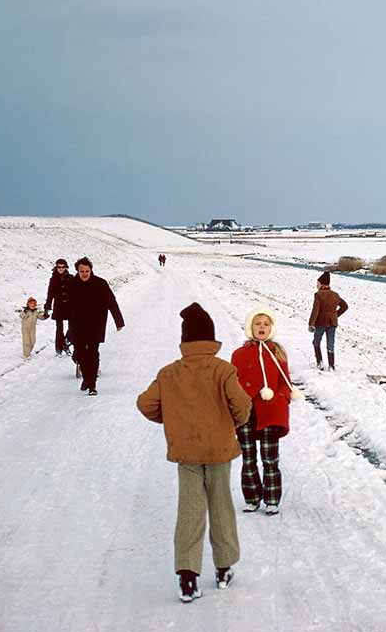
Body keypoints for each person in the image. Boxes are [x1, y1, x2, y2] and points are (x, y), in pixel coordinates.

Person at [136, 302, 253, 603]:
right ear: (210, 339)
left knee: (189, 510)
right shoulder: (224, 370)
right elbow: (242, 407)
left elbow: (146, 404)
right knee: (221, 505)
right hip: (219, 449)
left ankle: (187, 578)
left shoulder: (169, 373)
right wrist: (230, 423)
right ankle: (224, 569)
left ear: (185, 340)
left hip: (186, 453)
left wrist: (172, 417)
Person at [231, 308, 301, 515]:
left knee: (270, 459)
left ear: (271, 328)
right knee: (248, 457)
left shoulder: (277, 353)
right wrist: (245, 394)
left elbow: (285, 381)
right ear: (250, 327)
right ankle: (252, 498)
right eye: (258, 323)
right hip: (247, 412)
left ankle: (272, 499)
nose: (262, 327)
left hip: (270, 412)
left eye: (266, 324)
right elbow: (233, 383)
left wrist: (280, 398)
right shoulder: (240, 354)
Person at [67, 257, 124, 396]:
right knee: (80, 354)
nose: (85, 274)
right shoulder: (72, 284)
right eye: (82, 271)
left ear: (91, 270)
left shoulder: (100, 283)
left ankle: (92, 384)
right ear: (77, 271)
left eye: (87, 271)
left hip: (95, 324)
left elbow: (111, 302)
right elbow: (66, 304)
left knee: (92, 354)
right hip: (77, 325)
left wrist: (118, 321)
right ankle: (87, 378)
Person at [308, 271, 348, 370]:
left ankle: (320, 363)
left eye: (317, 283)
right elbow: (345, 306)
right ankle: (331, 366)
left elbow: (315, 310)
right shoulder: (335, 295)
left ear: (321, 283)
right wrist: (335, 316)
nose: (316, 284)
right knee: (330, 344)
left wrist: (311, 324)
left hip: (320, 323)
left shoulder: (318, 295)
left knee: (316, 342)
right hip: (332, 323)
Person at [44, 258, 75, 355]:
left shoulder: (71, 277)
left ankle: (66, 341)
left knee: (73, 326)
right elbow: (50, 294)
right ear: (56, 267)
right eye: (59, 267)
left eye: (63, 267)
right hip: (59, 306)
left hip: (70, 306)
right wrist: (47, 307)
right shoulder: (53, 280)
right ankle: (59, 348)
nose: (61, 269)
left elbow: (76, 293)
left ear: (66, 268)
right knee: (59, 328)